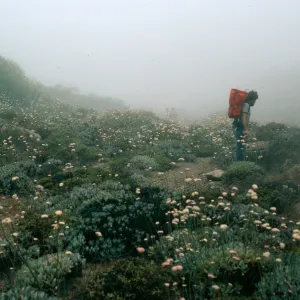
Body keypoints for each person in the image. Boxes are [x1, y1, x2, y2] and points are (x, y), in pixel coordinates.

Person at [233, 90, 258, 161]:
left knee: (240, 146)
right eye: (254, 100)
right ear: (251, 99)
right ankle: (239, 164)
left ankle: (239, 163)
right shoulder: (246, 105)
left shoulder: (244, 104)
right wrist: (246, 129)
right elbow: (244, 118)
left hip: (238, 127)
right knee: (240, 147)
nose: (254, 102)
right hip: (240, 128)